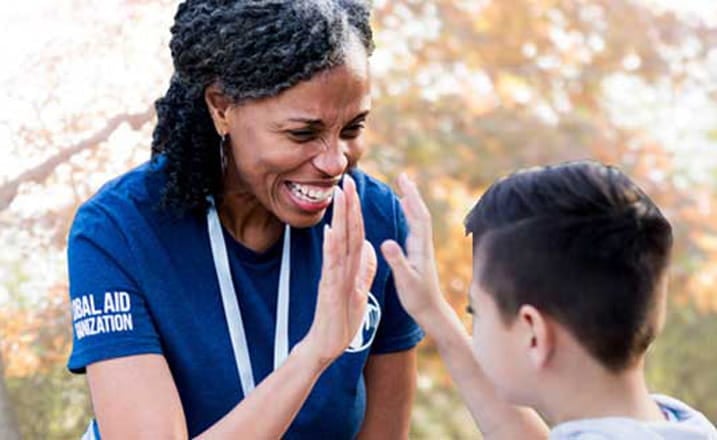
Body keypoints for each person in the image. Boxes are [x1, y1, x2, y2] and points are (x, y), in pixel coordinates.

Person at [67, 1, 423, 438]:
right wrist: (314, 354)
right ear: (221, 107)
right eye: (302, 133)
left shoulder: (377, 223)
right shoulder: (117, 232)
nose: (335, 161)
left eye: (352, 129)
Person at [381, 162, 717, 439]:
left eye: (476, 313)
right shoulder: (682, 425)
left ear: (533, 333)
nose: (474, 328)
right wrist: (433, 314)